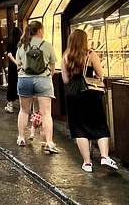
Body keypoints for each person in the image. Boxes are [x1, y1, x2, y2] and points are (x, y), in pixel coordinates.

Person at [62, 29, 117, 171]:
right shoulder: (91, 54)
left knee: (80, 128)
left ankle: (87, 163)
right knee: (99, 124)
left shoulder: (66, 56)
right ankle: (104, 156)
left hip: (73, 93)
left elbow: (65, 79)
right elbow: (101, 74)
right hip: (89, 92)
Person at [15, 21, 58, 153]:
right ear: (39, 31)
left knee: (24, 110)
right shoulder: (47, 45)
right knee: (46, 113)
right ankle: (49, 142)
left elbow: (18, 65)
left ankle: (21, 137)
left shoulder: (22, 46)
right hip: (43, 80)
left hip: (24, 80)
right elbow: (52, 67)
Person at [4, 27, 23, 113]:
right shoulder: (22, 43)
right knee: (21, 84)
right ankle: (23, 105)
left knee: (11, 84)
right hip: (22, 66)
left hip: (12, 66)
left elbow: (9, 55)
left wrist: (16, 63)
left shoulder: (10, 42)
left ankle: (10, 104)